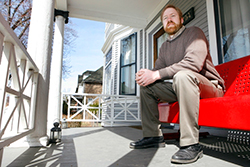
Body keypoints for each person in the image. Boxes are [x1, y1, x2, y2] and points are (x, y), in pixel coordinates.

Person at [130, 4, 225, 164]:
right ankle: (153, 136)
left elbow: (193, 64)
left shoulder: (194, 33)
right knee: (147, 86)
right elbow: (158, 71)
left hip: (210, 87)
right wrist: (145, 75)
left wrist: (156, 74)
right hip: (184, 86)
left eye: (172, 16)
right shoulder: (165, 47)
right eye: (165, 18)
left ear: (181, 20)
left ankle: (191, 144)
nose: (169, 20)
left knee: (182, 76)